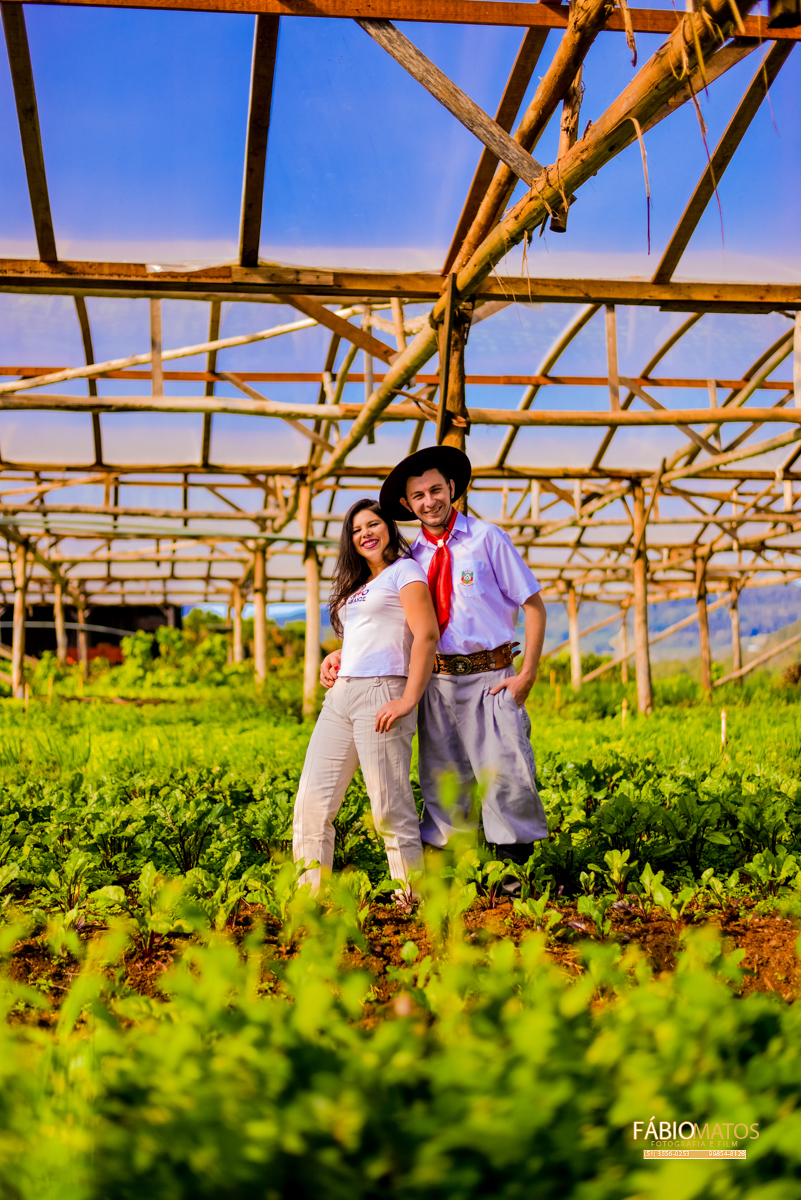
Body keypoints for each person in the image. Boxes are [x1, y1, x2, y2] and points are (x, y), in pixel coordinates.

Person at [322, 447, 548, 871]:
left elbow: (534, 606)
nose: (429, 501)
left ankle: (513, 871)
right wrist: (342, 652)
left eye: (436, 490)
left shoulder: (488, 538)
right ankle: (450, 868)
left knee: (505, 775)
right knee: (443, 776)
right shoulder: (408, 561)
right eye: (419, 496)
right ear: (407, 505)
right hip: (436, 681)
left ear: (452, 489)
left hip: (491, 676)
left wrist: (528, 674)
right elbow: (395, 626)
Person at [293, 498, 439, 893]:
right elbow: (369, 635)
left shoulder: (405, 570)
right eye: (356, 530)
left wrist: (408, 698)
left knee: (389, 808)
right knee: (311, 804)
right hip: (341, 696)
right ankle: (310, 899)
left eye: (372, 524)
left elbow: (426, 634)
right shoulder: (358, 586)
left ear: (389, 527)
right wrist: (337, 654)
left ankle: (411, 899)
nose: (365, 534)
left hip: (382, 691)